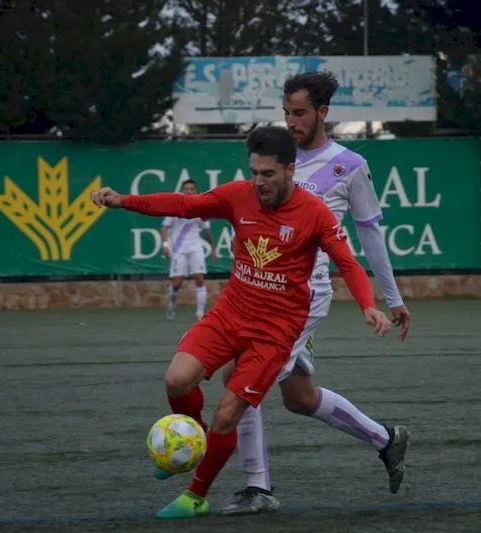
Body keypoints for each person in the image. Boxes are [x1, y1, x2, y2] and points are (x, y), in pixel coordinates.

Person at [90, 126, 392, 519]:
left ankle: (196, 495)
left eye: (268, 174)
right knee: (176, 380)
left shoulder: (313, 213)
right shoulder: (238, 196)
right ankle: (191, 440)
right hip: (231, 312)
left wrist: (369, 304)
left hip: (275, 332)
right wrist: (123, 201)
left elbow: (348, 262)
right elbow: (184, 205)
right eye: (254, 172)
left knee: (229, 412)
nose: (259, 182)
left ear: (289, 170)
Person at [216, 71, 413, 515]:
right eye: (286, 113)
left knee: (238, 377)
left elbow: (371, 237)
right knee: (299, 398)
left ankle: (257, 488)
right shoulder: (276, 157)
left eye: (300, 113)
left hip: (304, 297)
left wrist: (392, 298)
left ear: (323, 112)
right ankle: (386, 439)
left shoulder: (350, 166)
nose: (292, 121)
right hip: (264, 291)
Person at [161, 179, 217, 320]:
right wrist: (165, 245)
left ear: (196, 191)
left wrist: (213, 248)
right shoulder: (175, 207)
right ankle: (172, 303)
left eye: (192, 189)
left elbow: (206, 230)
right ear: (182, 190)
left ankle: (200, 314)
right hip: (178, 248)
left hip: (195, 248)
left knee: (199, 278)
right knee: (177, 282)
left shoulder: (200, 208)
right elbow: (165, 226)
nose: (189, 191)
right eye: (187, 189)